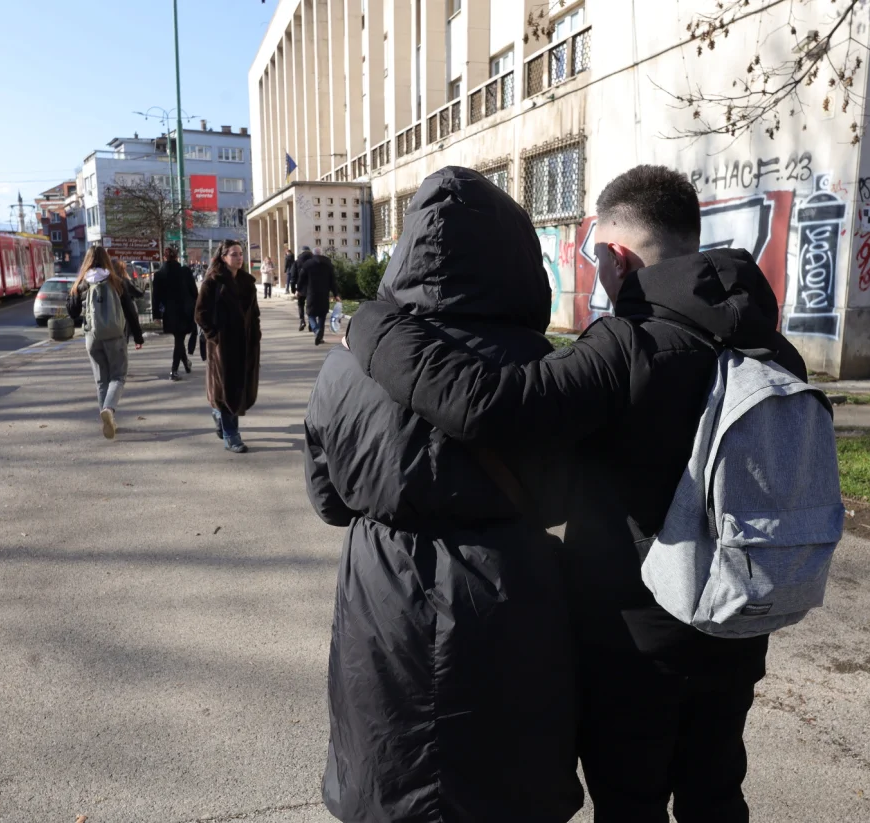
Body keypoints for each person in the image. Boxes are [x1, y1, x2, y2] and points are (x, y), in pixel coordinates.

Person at [345, 165, 809, 823]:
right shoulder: (773, 348)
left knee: (630, 801)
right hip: (739, 622)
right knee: (715, 792)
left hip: (634, 641)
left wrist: (372, 328)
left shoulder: (630, 344)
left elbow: (485, 406)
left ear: (616, 256)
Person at [306, 166, 581, 823]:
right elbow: (564, 495)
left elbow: (328, 500)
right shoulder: (543, 370)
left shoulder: (346, 371)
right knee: (503, 790)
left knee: (391, 773)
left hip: (381, 606)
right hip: (509, 604)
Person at [67, 246, 145, 440]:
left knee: (101, 380)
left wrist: (75, 293)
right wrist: (138, 336)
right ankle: (109, 410)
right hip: (116, 336)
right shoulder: (117, 282)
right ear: (107, 260)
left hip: (92, 337)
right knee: (118, 377)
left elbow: (72, 312)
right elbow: (130, 312)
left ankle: (107, 418)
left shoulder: (81, 283)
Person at [195, 239, 261, 454]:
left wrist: (256, 334)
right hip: (223, 347)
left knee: (239, 388)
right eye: (234, 254)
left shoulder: (247, 282)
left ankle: (218, 414)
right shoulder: (213, 282)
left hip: (246, 345)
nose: (239, 257)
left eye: (241, 253)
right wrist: (214, 337)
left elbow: (255, 314)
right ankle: (232, 436)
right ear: (223, 257)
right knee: (227, 390)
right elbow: (200, 314)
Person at [151, 247, 198, 381]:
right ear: (177, 257)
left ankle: (186, 364)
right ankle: (174, 370)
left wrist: (156, 316)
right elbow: (194, 292)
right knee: (179, 340)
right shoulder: (185, 271)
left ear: (164, 258)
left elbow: (156, 297)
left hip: (170, 313)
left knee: (179, 339)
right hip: (185, 311)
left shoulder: (159, 274)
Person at [302, 247, 339, 345]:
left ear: (313, 254)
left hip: (311, 293)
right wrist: (336, 294)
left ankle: (316, 330)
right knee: (322, 315)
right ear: (321, 253)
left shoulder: (307, 264)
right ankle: (320, 337)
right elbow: (332, 281)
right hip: (324, 294)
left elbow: (302, 278)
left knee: (310, 314)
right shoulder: (328, 264)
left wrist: (298, 290)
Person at [293, 245, 313, 330]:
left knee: (300, 305)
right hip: (312, 288)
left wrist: (294, 289)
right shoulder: (314, 262)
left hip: (300, 288)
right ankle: (311, 324)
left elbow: (293, 276)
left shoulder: (297, 262)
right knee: (310, 306)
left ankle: (302, 321)